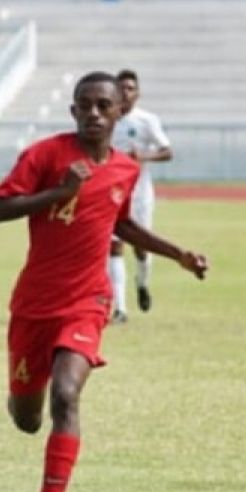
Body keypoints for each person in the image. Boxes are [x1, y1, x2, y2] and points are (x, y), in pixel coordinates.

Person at [0, 71, 207, 492]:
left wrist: (177, 255)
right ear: (73, 111)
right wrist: (57, 194)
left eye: (103, 105)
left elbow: (122, 222)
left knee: (67, 396)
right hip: (33, 307)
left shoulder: (125, 169)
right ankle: (23, 393)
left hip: (87, 302)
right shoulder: (45, 156)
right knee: (27, 418)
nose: (94, 113)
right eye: (84, 105)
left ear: (118, 112)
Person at [107, 68, 174, 323]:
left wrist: (143, 156)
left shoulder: (146, 121)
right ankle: (120, 309)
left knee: (141, 248)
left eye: (130, 88)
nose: (125, 93)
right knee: (114, 247)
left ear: (138, 93)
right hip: (112, 194)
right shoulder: (105, 119)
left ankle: (142, 282)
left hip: (140, 195)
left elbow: (167, 151)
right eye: (121, 88)